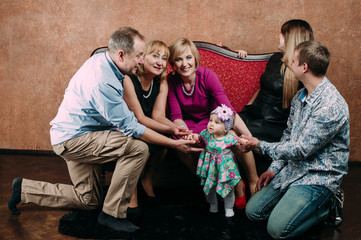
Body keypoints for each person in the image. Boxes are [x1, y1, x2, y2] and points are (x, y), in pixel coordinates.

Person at [7, 27, 200, 234]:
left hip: (75, 134)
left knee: (89, 200)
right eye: (139, 56)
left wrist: (171, 131)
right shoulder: (103, 81)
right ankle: (112, 214)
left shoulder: (105, 61)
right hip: (74, 139)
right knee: (138, 148)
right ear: (121, 54)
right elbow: (133, 127)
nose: (142, 61)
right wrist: (174, 144)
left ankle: (24, 189)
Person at [241, 41, 349, 239]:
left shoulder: (330, 106)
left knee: (277, 230)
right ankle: (295, 204)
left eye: (293, 60)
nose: (289, 63)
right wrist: (274, 168)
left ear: (304, 67)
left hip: (318, 176)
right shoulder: (300, 96)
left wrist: (259, 145)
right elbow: (288, 136)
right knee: (253, 212)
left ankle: (328, 205)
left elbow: (301, 150)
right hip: (293, 169)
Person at [167, 38, 259, 209]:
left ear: (195, 58)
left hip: (211, 121)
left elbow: (227, 109)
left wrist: (248, 136)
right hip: (187, 125)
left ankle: (251, 180)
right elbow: (176, 115)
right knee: (179, 145)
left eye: (188, 57)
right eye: (178, 59)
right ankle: (215, 182)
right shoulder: (171, 80)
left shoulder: (208, 75)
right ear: (173, 63)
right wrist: (187, 134)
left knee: (232, 136)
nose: (184, 63)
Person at [123, 40, 188, 211]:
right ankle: (133, 187)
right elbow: (139, 118)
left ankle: (147, 180)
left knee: (165, 140)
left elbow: (158, 115)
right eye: (155, 56)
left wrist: (175, 128)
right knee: (142, 145)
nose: (160, 62)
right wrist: (171, 128)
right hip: (127, 127)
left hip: (144, 123)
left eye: (164, 58)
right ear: (142, 58)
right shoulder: (129, 79)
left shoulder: (161, 82)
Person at [239, 19, 314, 143]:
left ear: (290, 39)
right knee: (220, 127)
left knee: (233, 136)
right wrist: (247, 107)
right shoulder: (275, 59)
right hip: (253, 115)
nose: (279, 36)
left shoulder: (302, 70)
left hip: (273, 125)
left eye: (282, 33)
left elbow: (304, 107)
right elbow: (261, 88)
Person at [191, 104, 244, 217]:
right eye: (210, 120)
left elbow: (239, 142)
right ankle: (213, 204)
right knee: (209, 188)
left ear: (226, 128)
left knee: (229, 189)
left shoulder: (229, 138)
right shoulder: (205, 135)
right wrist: (192, 137)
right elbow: (198, 137)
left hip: (224, 168)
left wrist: (244, 143)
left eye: (216, 122)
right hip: (209, 167)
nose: (211, 124)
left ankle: (229, 207)